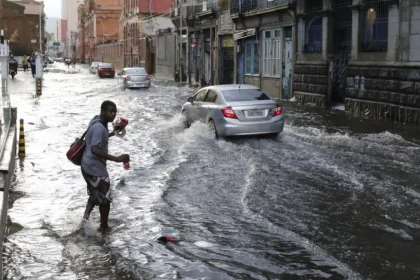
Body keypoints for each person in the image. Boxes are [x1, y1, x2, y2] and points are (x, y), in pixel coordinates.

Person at [81, 100, 130, 234]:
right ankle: (104, 227)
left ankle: (84, 221)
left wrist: (114, 133)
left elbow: (99, 138)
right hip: (94, 168)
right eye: (110, 112)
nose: (113, 115)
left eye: (115, 112)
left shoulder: (96, 121)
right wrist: (117, 159)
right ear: (103, 111)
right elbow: (95, 149)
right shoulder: (99, 128)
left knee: (94, 193)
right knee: (106, 198)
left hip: (86, 165)